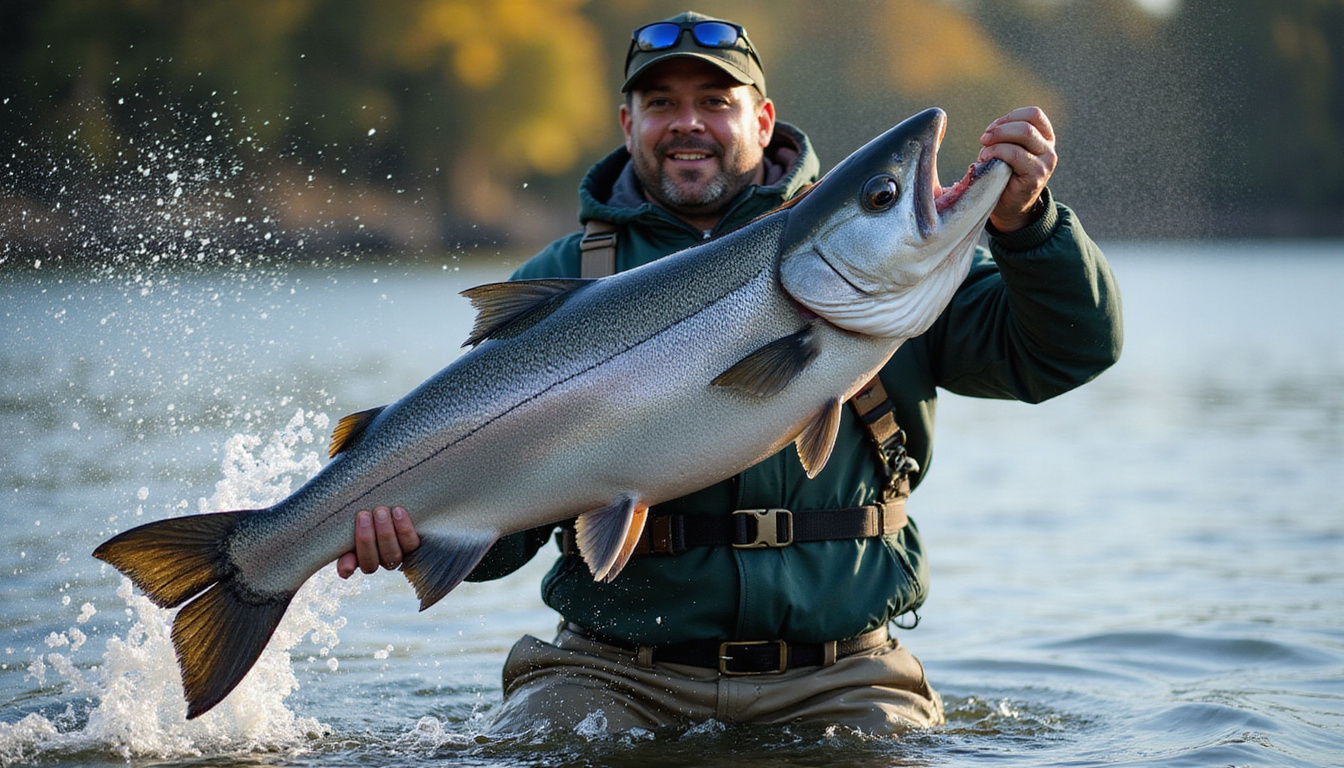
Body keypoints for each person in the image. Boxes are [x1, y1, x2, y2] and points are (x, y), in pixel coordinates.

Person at [336, 11, 1122, 734]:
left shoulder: (893, 260)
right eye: (661, 102)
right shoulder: (565, 275)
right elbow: (508, 536)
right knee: (546, 737)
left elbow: (1067, 348)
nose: (688, 123)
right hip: (612, 673)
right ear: (628, 123)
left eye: (715, 100)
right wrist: (412, 532)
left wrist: (1029, 224)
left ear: (762, 119)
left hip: (844, 674)